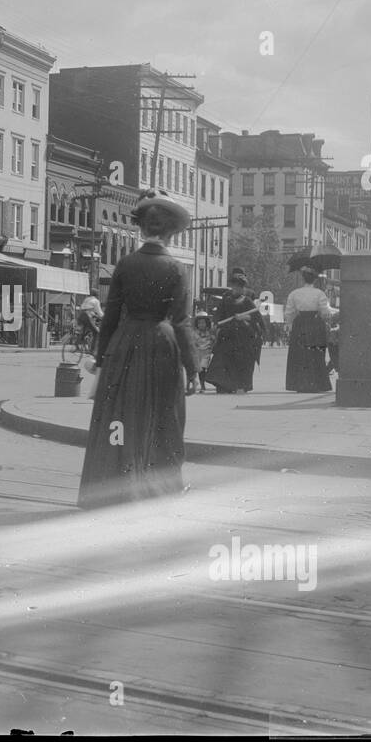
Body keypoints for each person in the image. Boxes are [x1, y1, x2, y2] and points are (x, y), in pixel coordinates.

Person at [78, 191, 196, 510]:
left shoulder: (125, 265)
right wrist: (193, 367)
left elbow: (111, 316)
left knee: (119, 417)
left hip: (125, 345)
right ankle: (161, 488)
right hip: (161, 344)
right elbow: (182, 322)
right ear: (172, 232)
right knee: (164, 417)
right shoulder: (176, 268)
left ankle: (113, 487)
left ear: (142, 230)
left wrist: (102, 358)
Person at [206, 268, 262, 394]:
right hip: (227, 334)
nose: (237, 289)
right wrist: (215, 324)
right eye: (234, 286)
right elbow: (218, 315)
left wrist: (244, 317)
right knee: (223, 359)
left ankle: (241, 384)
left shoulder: (247, 301)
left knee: (242, 361)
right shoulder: (226, 300)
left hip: (243, 335)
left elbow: (257, 318)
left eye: (239, 287)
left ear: (243, 288)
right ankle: (224, 384)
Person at [285, 266, 335, 392]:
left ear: (303, 279)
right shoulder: (319, 293)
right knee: (316, 354)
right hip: (315, 324)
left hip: (300, 324)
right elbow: (325, 313)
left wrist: (290, 326)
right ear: (315, 280)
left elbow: (289, 313)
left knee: (299, 355)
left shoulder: (294, 293)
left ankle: (299, 383)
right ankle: (317, 383)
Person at [188, 313, 215, 393]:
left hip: (206, 354)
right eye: (199, 323)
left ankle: (202, 385)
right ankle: (196, 384)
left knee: (202, 369)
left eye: (203, 323)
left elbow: (213, 341)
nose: (201, 325)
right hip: (197, 354)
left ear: (207, 323)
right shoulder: (194, 333)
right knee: (197, 370)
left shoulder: (210, 333)